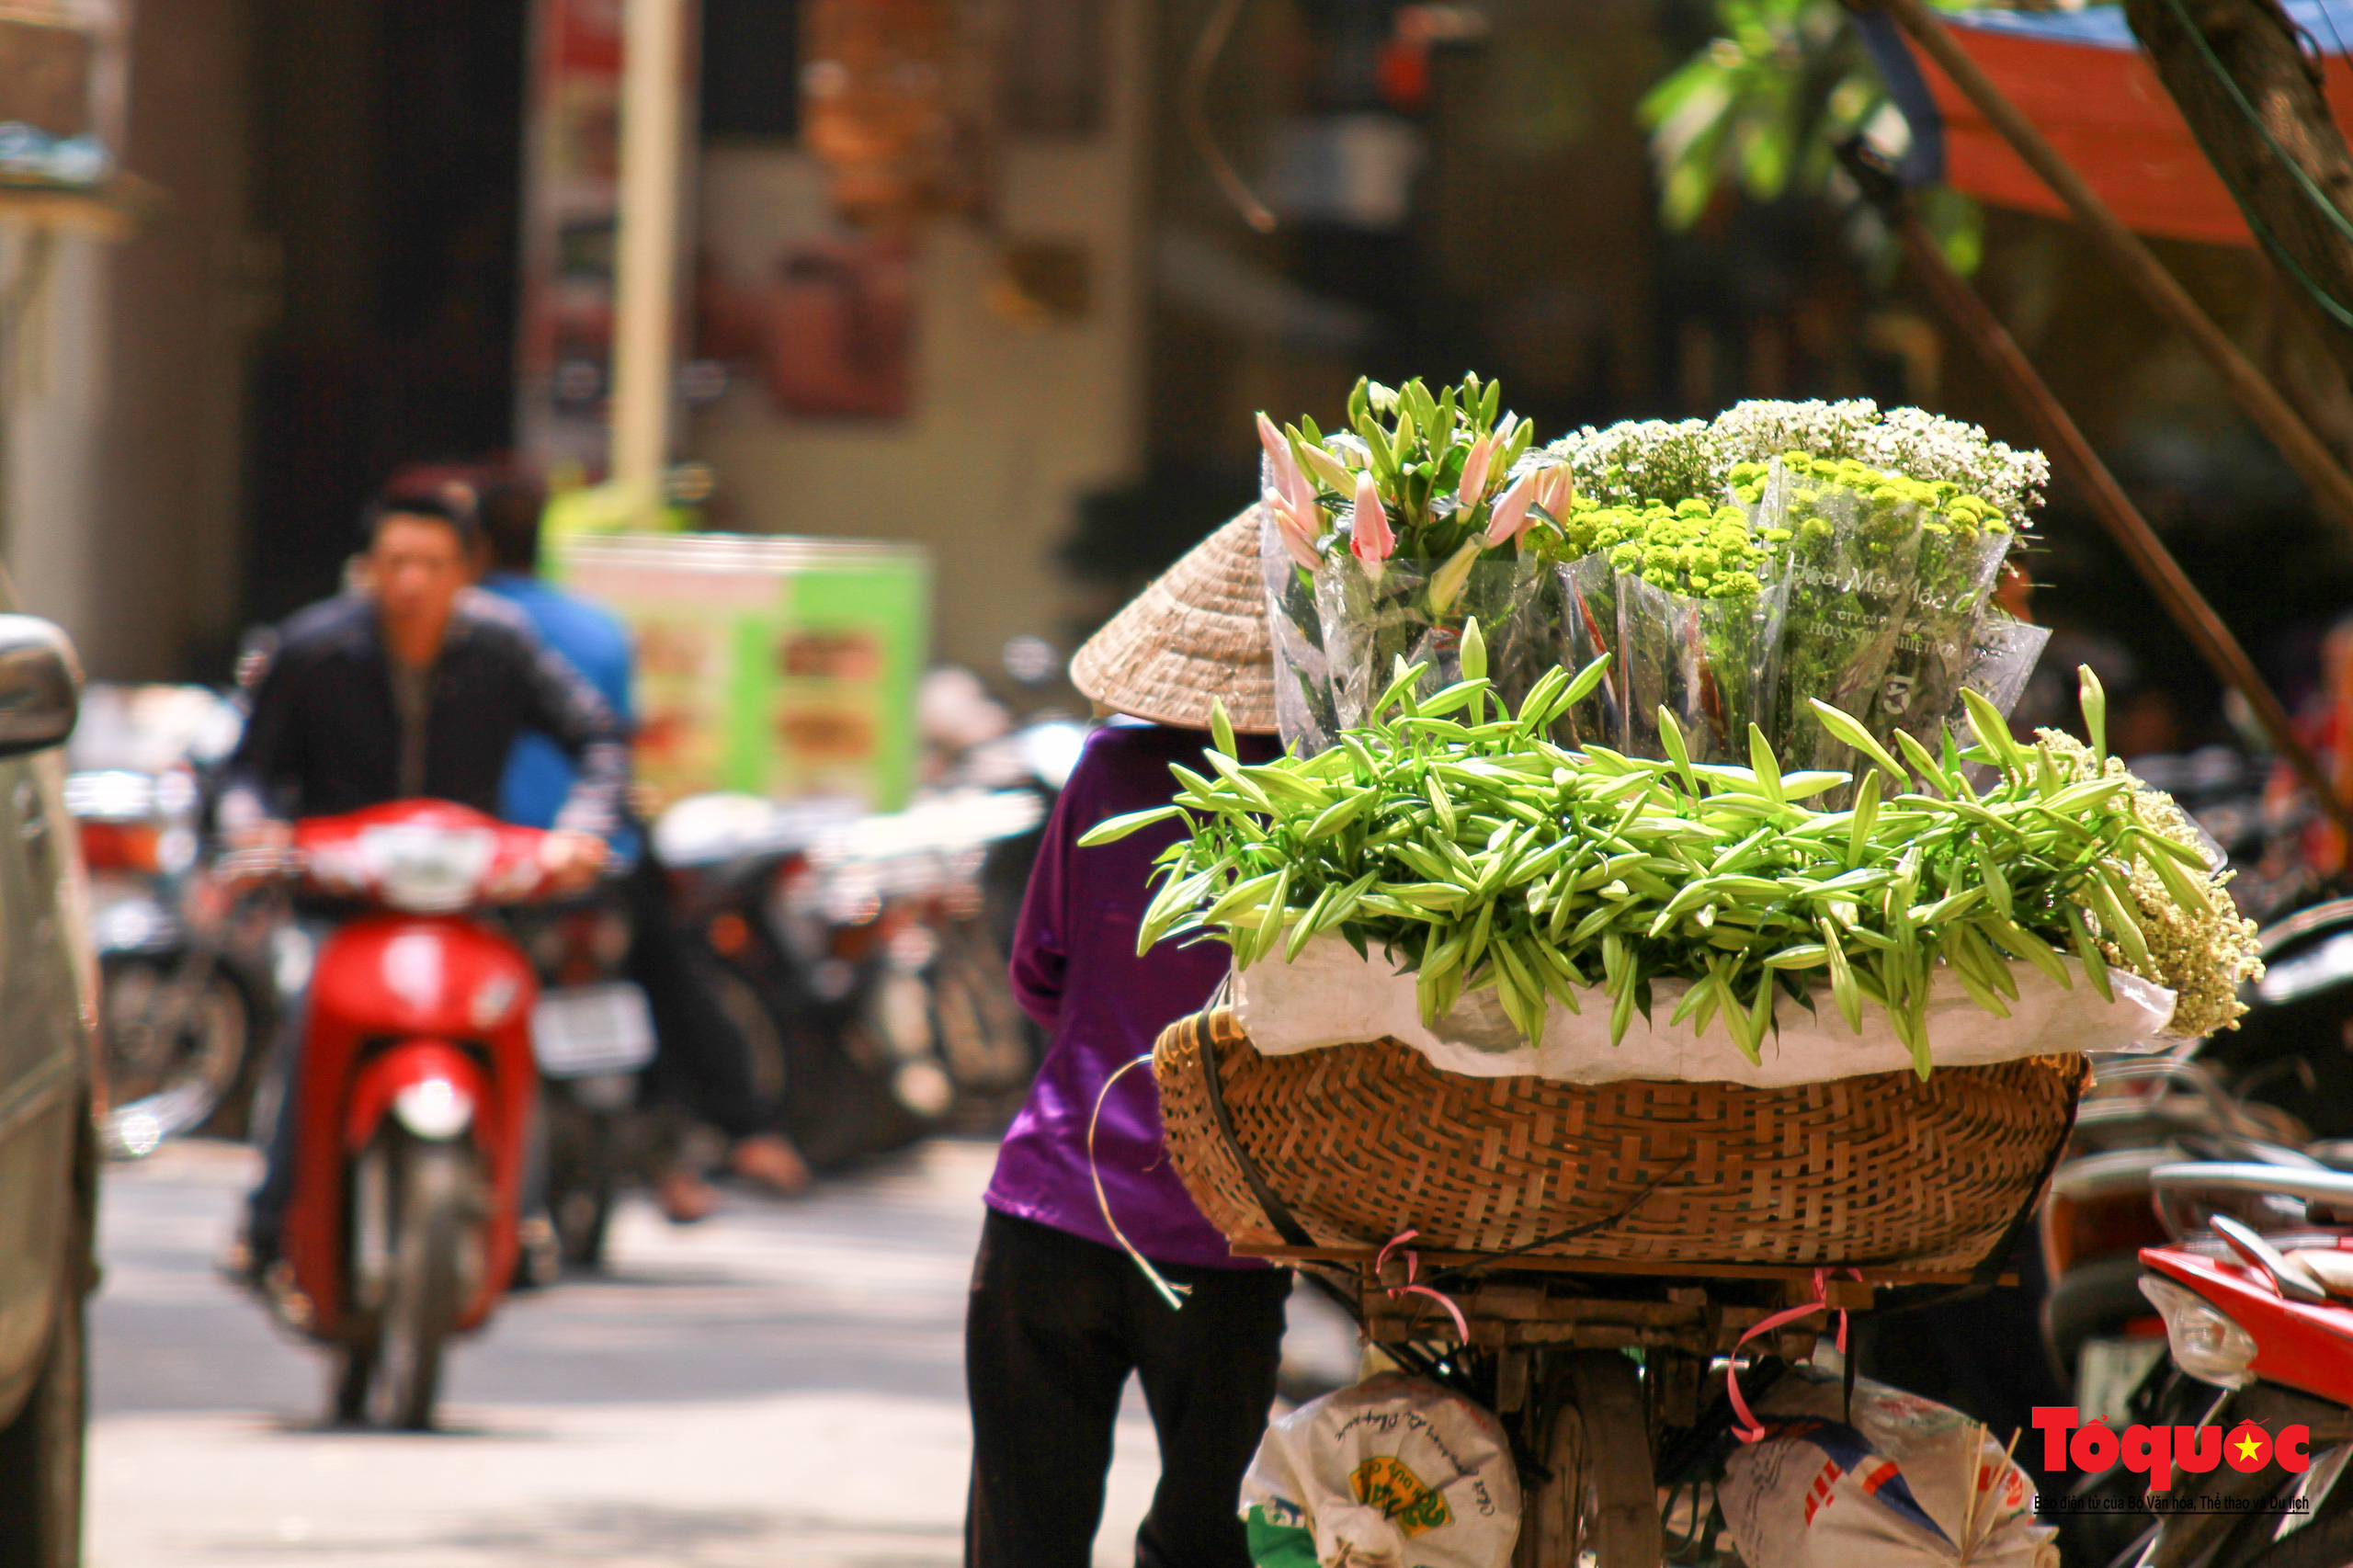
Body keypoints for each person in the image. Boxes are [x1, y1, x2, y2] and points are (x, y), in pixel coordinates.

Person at [966, 512, 1291, 1568]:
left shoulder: (1107, 768)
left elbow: (1038, 971)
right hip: (1229, 1231)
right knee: (1204, 1543)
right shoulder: (1346, 801)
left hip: (1053, 1205)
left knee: (1023, 1536)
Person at [222, 488, 625, 1272]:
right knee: (310, 1011)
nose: (413, 582)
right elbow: (248, 770)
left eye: (433, 565)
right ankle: (268, 1218)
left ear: (466, 572)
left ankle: (525, 1219)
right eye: (397, 563)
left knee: (514, 1013)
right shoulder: (311, 650)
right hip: (336, 907)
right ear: (368, 569)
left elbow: (597, 738)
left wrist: (584, 830)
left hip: (466, 909)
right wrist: (253, 832)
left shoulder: (504, 647)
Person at [470, 475, 810, 1215]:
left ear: (474, 548)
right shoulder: (596, 628)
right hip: (603, 854)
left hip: (497, 862)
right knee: (669, 973)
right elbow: (613, 742)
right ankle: (722, 1141)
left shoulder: (467, 629)